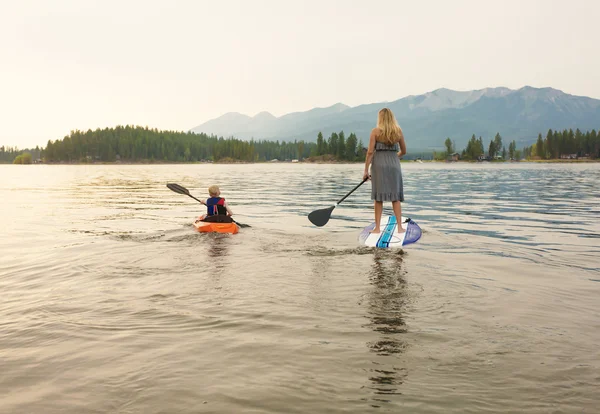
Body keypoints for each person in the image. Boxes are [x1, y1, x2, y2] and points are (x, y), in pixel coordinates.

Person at [363, 108, 407, 234]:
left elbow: (370, 152)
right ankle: (400, 227)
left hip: (378, 165)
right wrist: (393, 158)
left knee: (378, 197)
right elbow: (404, 151)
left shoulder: (375, 132)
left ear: (380, 118)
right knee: (395, 197)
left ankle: (377, 228)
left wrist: (366, 170)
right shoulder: (398, 132)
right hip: (394, 165)